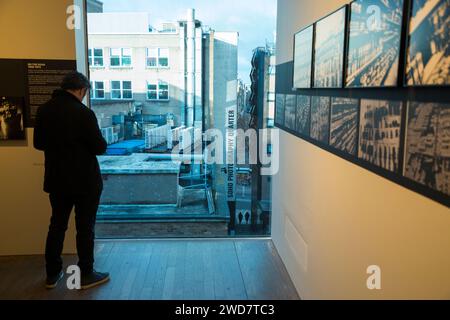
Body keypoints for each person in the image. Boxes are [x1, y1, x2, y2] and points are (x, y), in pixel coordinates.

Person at [34, 71, 110, 290]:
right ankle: (85, 274)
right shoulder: (83, 113)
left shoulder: (44, 110)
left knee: (57, 226)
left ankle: (52, 274)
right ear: (81, 90)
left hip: (57, 180)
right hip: (85, 181)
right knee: (85, 228)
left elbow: (38, 144)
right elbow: (100, 147)